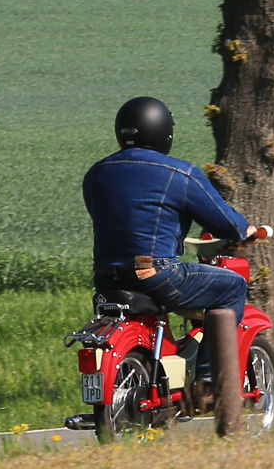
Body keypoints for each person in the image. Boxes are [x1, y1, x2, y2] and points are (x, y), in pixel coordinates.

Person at [82, 96, 255, 376]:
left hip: (106, 276)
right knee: (232, 285)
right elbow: (225, 223)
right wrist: (243, 230)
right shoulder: (179, 173)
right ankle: (208, 379)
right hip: (154, 273)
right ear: (164, 131)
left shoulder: (96, 174)